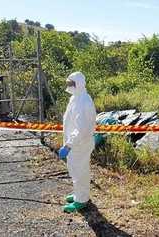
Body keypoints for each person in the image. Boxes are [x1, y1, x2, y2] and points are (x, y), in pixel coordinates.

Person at [59, 72, 96, 213]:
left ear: (78, 84)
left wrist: (69, 145)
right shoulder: (75, 98)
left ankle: (81, 200)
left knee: (81, 171)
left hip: (80, 144)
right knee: (75, 170)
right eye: (68, 83)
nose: (68, 86)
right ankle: (78, 194)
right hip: (74, 144)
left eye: (71, 84)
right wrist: (68, 143)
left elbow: (81, 129)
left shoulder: (84, 101)